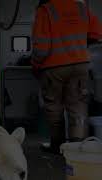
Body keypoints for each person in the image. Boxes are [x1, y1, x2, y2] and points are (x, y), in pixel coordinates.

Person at [31, 0, 102, 154]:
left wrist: (35, 65)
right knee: (78, 107)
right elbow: (97, 34)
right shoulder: (82, 7)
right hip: (80, 64)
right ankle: (78, 149)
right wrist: (79, 47)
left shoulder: (45, 10)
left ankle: (57, 147)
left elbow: (41, 48)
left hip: (53, 67)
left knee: (54, 108)